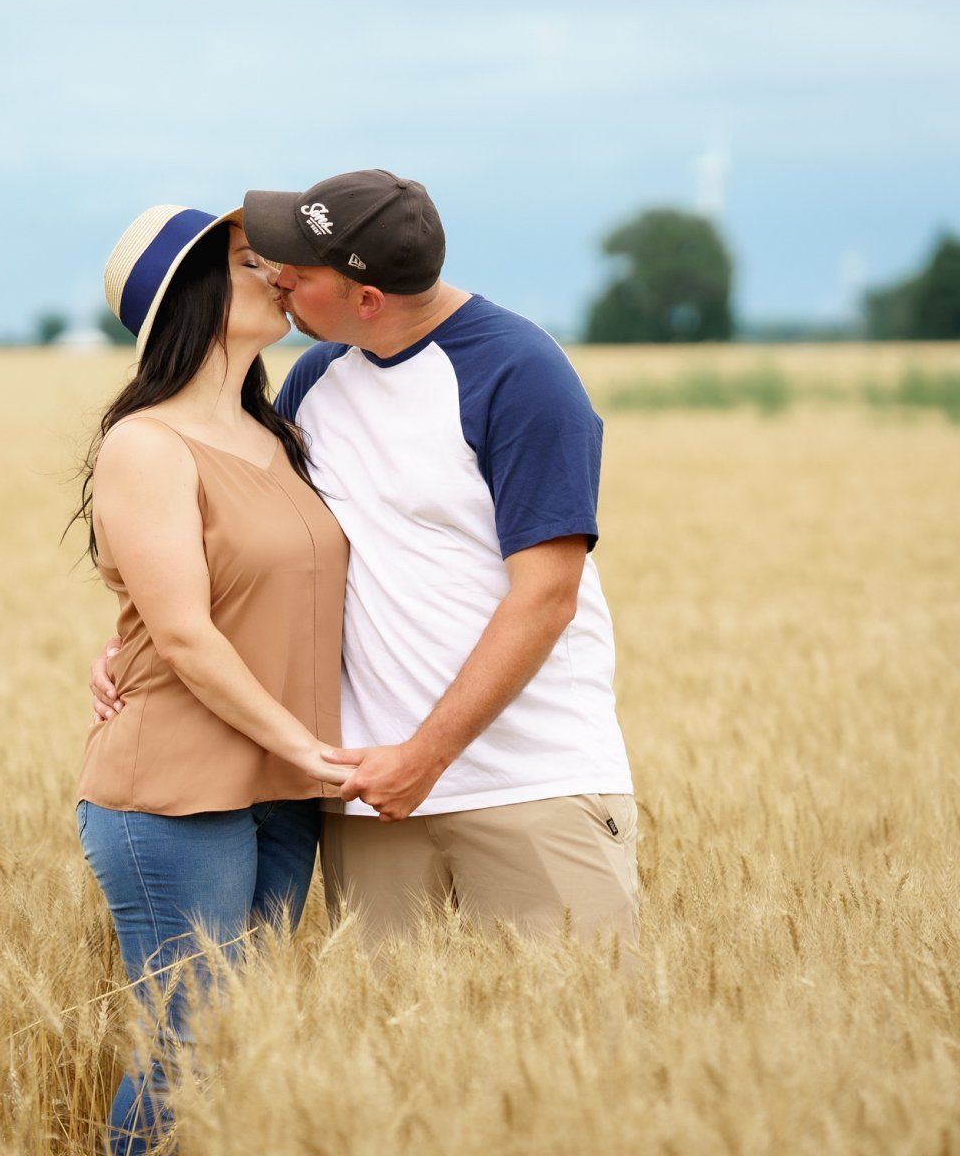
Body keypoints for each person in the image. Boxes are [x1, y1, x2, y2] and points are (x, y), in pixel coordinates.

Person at [91, 170, 639, 949]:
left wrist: (426, 755)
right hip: (367, 800)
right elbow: (237, 547)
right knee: (389, 1061)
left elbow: (548, 596)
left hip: (527, 784)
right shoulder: (312, 386)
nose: (278, 276)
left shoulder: (520, 374)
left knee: (573, 1048)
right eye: (260, 263)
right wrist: (133, 640)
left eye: (295, 270)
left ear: (366, 297)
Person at [70, 203, 351, 1154]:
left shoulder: (278, 434)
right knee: (183, 1049)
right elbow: (185, 636)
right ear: (186, 295)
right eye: (246, 260)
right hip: (179, 790)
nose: (277, 270)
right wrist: (307, 746)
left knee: (239, 1044)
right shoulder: (144, 444)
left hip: (283, 786)